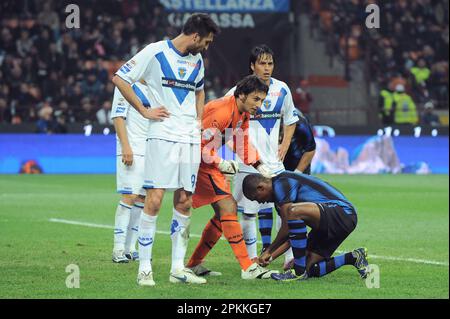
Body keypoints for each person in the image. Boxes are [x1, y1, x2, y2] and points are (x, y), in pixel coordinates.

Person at [112, 13, 220, 286]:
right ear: (195, 36)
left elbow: (199, 90)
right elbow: (120, 78)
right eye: (205, 42)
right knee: (155, 199)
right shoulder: (155, 52)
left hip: (189, 139)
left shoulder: (197, 60)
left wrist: (197, 120)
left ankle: (177, 269)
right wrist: (144, 110)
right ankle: (145, 267)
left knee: (185, 201)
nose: (206, 48)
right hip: (161, 135)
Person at [185, 75, 278, 280]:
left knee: (223, 213)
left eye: (262, 100)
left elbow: (242, 142)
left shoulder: (241, 113)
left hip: (205, 160)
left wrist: (260, 166)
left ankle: (193, 264)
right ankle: (247, 267)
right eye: (256, 99)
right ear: (242, 95)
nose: (259, 105)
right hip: (193, 159)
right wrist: (221, 163)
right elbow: (199, 145)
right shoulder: (221, 112)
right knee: (228, 207)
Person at [224, 45, 299, 267]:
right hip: (247, 164)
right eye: (262, 63)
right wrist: (240, 151)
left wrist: (285, 144)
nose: (267, 68)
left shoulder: (282, 89)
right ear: (252, 65)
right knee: (247, 214)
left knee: (286, 210)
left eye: (270, 63)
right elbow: (226, 126)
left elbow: (291, 119)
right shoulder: (238, 91)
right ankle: (250, 260)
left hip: (274, 164)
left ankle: (289, 258)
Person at [242, 172, 369, 282]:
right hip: (332, 224)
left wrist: (269, 250)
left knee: (293, 212)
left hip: (342, 212)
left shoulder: (281, 182)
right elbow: (291, 233)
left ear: (261, 188)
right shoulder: (280, 203)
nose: (259, 202)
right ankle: (354, 257)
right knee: (310, 269)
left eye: (256, 198)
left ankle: (298, 273)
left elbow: (287, 225)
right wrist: (269, 258)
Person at [110, 81, 150, 263]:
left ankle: (130, 247)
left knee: (142, 199)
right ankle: (118, 248)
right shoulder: (126, 85)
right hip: (132, 148)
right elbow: (118, 117)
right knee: (129, 196)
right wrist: (126, 146)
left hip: (151, 150)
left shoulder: (156, 86)